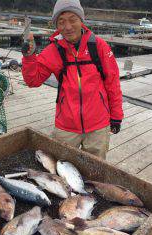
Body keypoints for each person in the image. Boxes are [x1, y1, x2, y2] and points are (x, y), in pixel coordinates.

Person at [21, 0, 123, 160]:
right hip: (66, 126)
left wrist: (116, 116)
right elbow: (32, 80)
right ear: (56, 25)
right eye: (61, 22)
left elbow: (113, 83)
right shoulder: (53, 50)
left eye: (72, 19)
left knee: (96, 169)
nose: (67, 27)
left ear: (81, 20)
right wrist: (29, 56)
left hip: (98, 125)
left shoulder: (99, 46)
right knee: (60, 168)